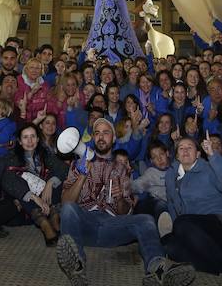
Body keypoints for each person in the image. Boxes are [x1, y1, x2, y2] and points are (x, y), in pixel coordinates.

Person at [56, 117, 194, 286]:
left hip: (112, 226)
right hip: (85, 226)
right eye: (97, 133)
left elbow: (125, 211)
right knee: (69, 209)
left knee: (146, 220)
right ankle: (77, 266)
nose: (101, 136)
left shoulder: (121, 169)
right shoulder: (77, 165)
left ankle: (157, 268)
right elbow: (65, 202)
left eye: (106, 132)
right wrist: (83, 175)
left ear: (113, 138)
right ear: (93, 138)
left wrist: (120, 197)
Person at [161, 136, 222, 284]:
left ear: (198, 154)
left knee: (181, 223)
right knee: (169, 244)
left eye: (190, 147)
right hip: (196, 235)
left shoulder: (208, 167)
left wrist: (213, 155)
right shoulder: (171, 175)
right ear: (176, 155)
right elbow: (171, 203)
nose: (185, 150)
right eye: (181, 148)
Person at [0, 122, 68, 246]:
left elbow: (63, 168)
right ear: (19, 141)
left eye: (33, 136)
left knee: (55, 177)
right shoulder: (12, 157)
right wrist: (34, 197)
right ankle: (44, 224)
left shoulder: (44, 154)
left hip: (47, 200)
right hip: (25, 207)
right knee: (22, 179)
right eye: (25, 137)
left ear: (38, 139)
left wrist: (50, 183)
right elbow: (7, 180)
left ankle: (55, 218)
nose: (30, 141)